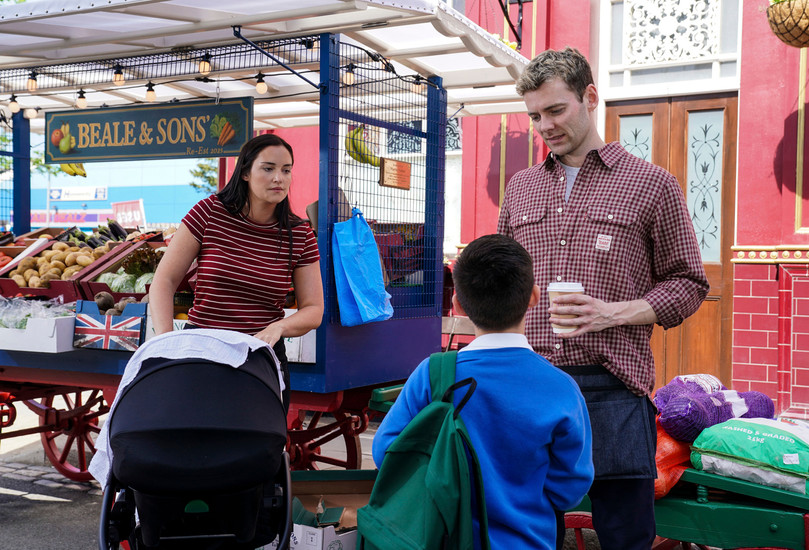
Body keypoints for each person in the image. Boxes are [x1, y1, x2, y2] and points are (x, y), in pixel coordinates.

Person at [498, 47, 709, 550]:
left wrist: (611, 313)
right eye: (535, 116)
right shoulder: (520, 188)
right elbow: (503, 283)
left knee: (625, 535)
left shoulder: (652, 184)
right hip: (532, 383)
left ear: (590, 97)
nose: (545, 126)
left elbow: (689, 283)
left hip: (613, 385)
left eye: (556, 110)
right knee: (528, 532)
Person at [372, 234, 593, 550]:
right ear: (533, 297)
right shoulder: (562, 388)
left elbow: (386, 453)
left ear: (458, 304)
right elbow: (569, 489)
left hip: (441, 539)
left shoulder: (432, 374)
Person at [150, 133, 324, 409]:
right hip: (201, 353)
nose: (279, 178)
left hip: (261, 359)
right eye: (268, 168)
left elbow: (314, 309)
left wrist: (278, 327)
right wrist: (165, 342)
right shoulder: (210, 212)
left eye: (286, 170)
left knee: (260, 435)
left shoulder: (300, 234)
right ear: (245, 172)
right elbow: (164, 280)